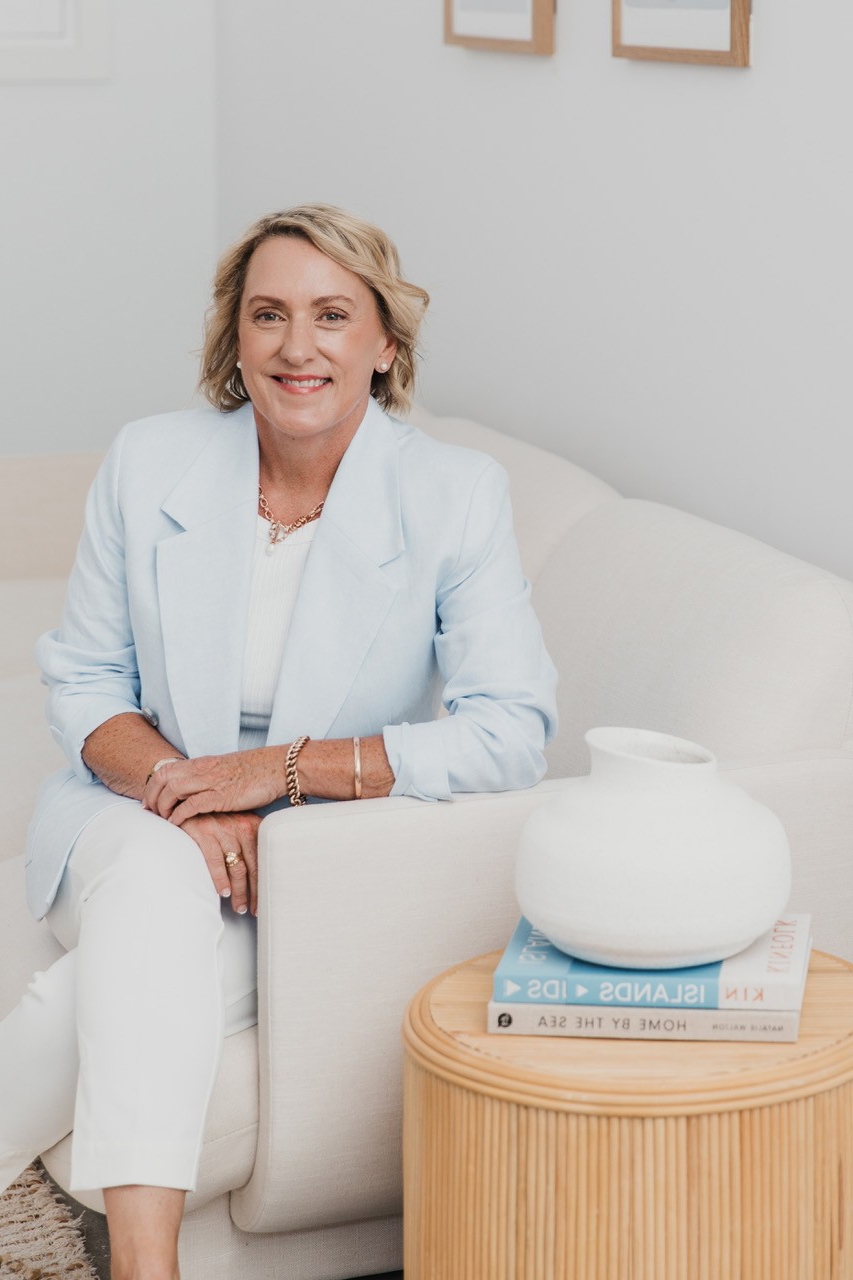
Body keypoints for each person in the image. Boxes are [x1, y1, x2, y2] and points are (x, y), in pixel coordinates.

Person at [0, 204, 557, 1278]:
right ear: (236, 336)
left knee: (100, 987)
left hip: (314, 855)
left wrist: (278, 775)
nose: (298, 346)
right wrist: (185, 792)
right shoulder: (150, 460)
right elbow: (84, 678)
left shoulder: (452, 494)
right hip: (130, 802)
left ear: (384, 343)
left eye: (332, 315)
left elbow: (511, 732)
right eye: (269, 315)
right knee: (155, 884)